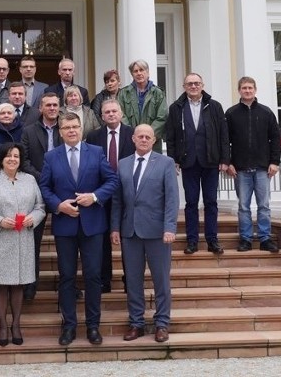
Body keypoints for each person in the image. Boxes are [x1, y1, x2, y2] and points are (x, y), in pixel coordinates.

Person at [39, 112, 119, 346]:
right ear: (60, 131)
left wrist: (94, 197)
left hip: (92, 225)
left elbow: (111, 181)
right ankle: (69, 326)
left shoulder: (95, 152)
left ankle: (93, 326)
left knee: (93, 276)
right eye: (67, 127)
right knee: (66, 277)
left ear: (81, 128)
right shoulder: (51, 157)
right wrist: (58, 205)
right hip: (65, 226)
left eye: (75, 126)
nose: (72, 130)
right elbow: (44, 187)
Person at [111, 124, 177, 343]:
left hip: (158, 232)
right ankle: (136, 323)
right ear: (133, 139)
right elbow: (117, 200)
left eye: (148, 136)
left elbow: (172, 199)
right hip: (130, 232)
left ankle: (162, 324)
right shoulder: (123, 164)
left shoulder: (165, 163)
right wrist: (115, 228)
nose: (144, 139)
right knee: (133, 280)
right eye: (140, 136)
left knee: (161, 280)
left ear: (154, 139)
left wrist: (170, 227)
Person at [0, 143, 46, 347]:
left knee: (18, 284)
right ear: (1, 159)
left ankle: (16, 324)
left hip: (23, 237)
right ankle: (2, 326)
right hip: (0, 239)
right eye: (8, 156)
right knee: (0, 283)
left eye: (16, 156)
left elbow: (40, 206)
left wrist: (33, 218)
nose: (12, 159)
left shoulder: (29, 179)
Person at [165, 72, 230, 255]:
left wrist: (225, 159)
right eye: (190, 84)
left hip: (210, 161)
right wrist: (173, 160)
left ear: (202, 85)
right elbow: (171, 137)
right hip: (188, 162)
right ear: (184, 87)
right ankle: (192, 240)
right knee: (191, 202)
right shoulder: (176, 107)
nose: (193, 86)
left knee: (211, 202)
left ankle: (212, 240)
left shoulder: (214, 106)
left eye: (196, 83)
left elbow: (223, 135)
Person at [225, 76, 281, 253]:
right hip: (240, 169)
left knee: (264, 205)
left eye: (250, 88)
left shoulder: (266, 113)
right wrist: (228, 163)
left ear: (255, 90)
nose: (247, 91)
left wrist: (274, 162)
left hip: (262, 168)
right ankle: (246, 239)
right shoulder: (231, 113)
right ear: (239, 91)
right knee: (243, 206)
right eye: (244, 88)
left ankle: (265, 238)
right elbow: (225, 141)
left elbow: (275, 139)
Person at [85, 98, 135, 293]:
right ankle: (105, 280)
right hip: (102, 195)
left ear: (121, 113)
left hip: (128, 193)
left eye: (114, 111)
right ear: (102, 116)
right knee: (103, 239)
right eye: (107, 112)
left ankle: (130, 280)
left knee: (128, 239)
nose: (111, 114)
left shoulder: (132, 134)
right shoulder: (93, 136)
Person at [19, 91, 62, 300]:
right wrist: (43, 177)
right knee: (33, 241)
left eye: (55, 105)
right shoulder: (28, 131)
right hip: (35, 190)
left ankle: (68, 284)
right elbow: (23, 160)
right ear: (41, 108)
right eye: (48, 105)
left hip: (63, 191)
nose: (52, 108)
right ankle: (30, 285)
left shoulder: (67, 128)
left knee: (66, 241)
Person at [117, 59, 168, 153]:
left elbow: (162, 117)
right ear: (132, 74)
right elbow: (121, 115)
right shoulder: (123, 93)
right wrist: (134, 136)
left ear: (147, 72)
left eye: (141, 70)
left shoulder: (158, 93)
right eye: (135, 71)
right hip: (130, 141)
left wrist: (147, 135)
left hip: (152, 142)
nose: (139, 73)